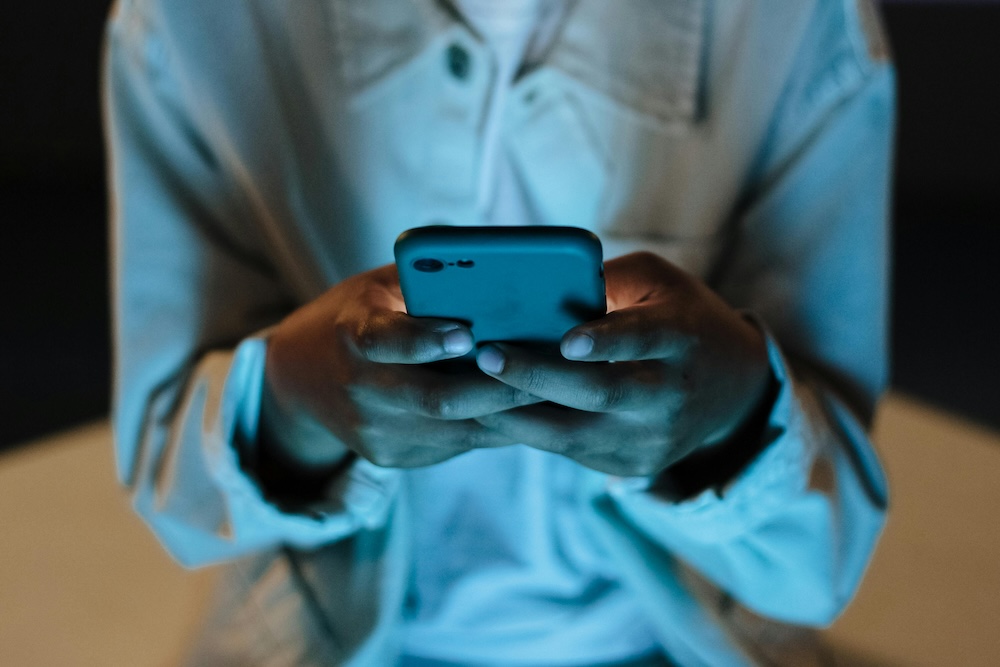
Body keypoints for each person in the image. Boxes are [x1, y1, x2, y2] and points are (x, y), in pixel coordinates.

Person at [104, 0, 894, 664]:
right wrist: (290, 399)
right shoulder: (187, 21)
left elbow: (833, 541)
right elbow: (168, 475)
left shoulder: (799, 19)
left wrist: (735, 412)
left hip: (683, 637)